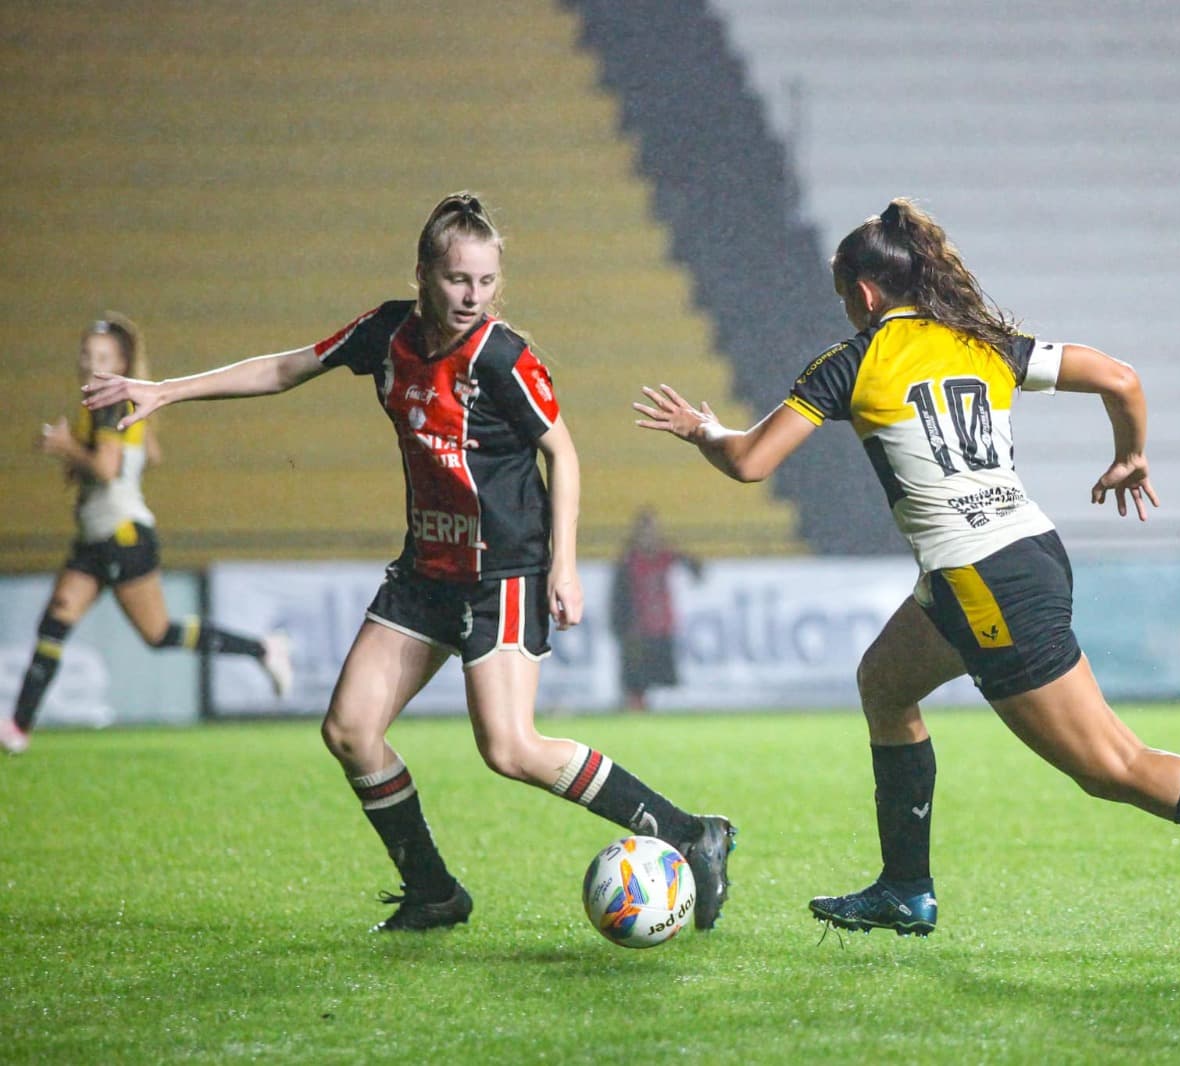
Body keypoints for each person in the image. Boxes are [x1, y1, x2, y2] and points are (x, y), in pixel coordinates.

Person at [634, 198, 1180, 937]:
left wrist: (703, 429)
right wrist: (1131, 454)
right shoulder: (982, 342)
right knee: (885, 684)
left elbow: (751, 461)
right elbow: (1120, 378)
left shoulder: (852, 362)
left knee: (1112, 764)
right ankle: (906, 887)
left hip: (981, 578)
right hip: (1024, 554)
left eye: (843, 297)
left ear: (862, 295)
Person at [81, 193, 735, 933]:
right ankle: (433, 892)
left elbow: (563, 452)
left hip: (502, 575)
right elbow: (286, 368)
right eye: (459, 279)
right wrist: (167, 390)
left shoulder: (502, 356)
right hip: (426, 572)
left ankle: (687, 832)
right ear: (424, 272)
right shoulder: (385, 332)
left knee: (510, 747)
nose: (473, 296)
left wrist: (564, 566)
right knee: (350, 730)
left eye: (486, 282)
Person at [1, 315, 291, 756]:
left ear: (121, 361)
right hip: (95, 535)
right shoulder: (104, 403)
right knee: (56, 621)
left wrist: (68, 449)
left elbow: (106, 468)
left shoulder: (107, 403)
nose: (89, 362)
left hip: (122, 536)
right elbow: (147, 454)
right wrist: (85, 458)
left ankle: (263, 648)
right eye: (86, 353)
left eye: (102, 356)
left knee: (157, 634)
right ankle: (17, 729)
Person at [609, 506, 702, 711]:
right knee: (637, 686)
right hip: (638, 633)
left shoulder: (666, 556)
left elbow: (696, 568)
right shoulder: (628, 562)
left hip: (663, 629)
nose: (650, 536)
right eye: (646, 531)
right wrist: (622, 629)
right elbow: (619, 600)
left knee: (666, 685)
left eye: (653, 530)